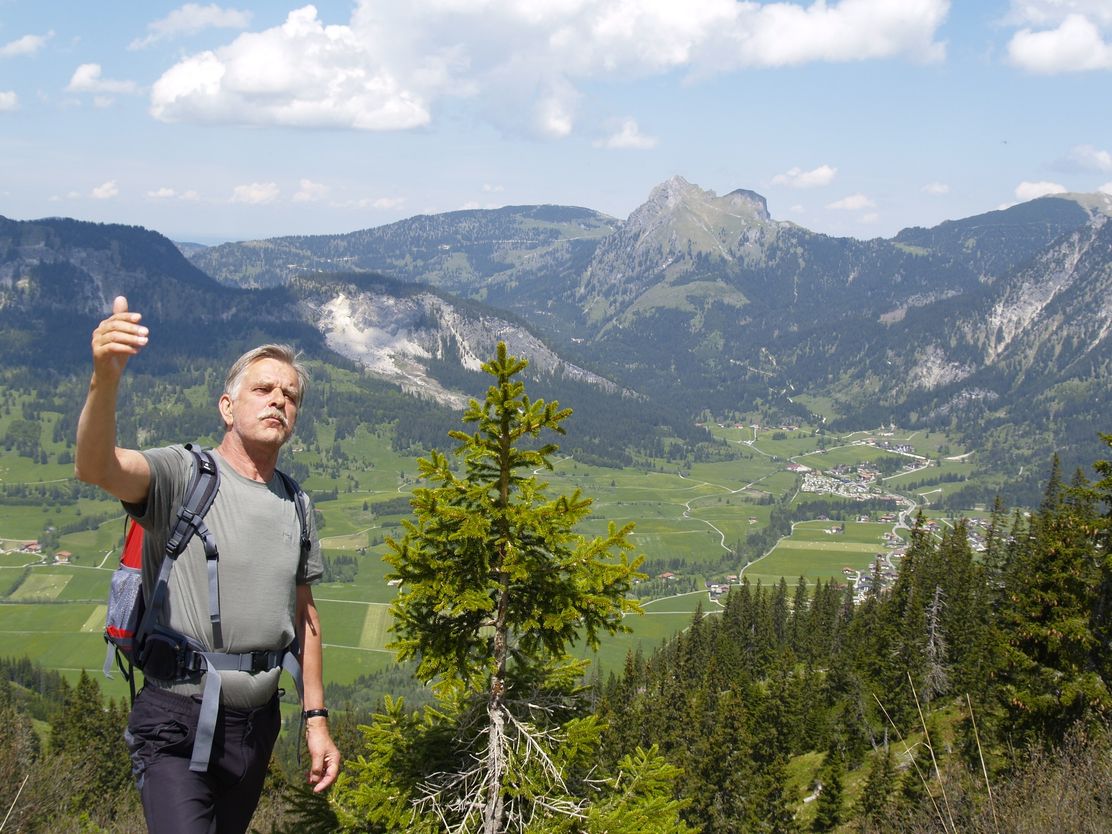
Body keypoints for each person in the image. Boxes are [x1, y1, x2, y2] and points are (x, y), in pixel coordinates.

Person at [75, 296, 341, 833]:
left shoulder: (297, 504)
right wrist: (104, 379)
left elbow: (306, 620)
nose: (278, 402)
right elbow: (96, 466)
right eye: (263, 389)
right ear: (227, 406)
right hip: (177, 719)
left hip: (256, 726)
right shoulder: (184, 475)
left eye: (289, 396)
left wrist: (316, 720)